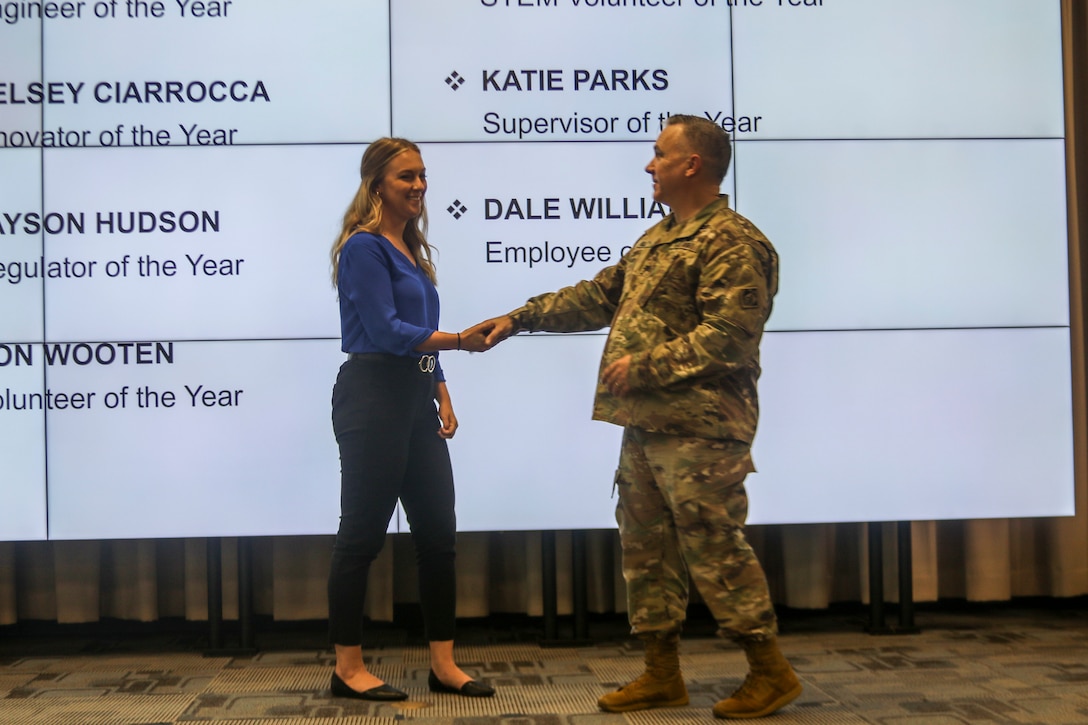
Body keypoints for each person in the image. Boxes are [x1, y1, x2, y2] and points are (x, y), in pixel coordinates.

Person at [480, 115, 800, 719]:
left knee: (715, 546)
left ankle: (770, 671)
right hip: (647, 426)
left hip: (703, 427)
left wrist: (646, 367)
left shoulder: (732, 240)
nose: (648, 165)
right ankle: (662, 674)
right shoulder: (658, 240)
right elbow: (597, 295)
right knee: (645, 549)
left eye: (659, 155)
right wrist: (520, 318)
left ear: (692, 165)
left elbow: (731, 336)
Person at [326, 137, 496, 701]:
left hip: (414, 398)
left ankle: (444, 666)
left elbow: (419, 341)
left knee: (438, 537)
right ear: (377, 184)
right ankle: (347, 669)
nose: (419, 185)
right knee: (361, 537)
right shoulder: (363, 248)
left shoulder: (414, 253)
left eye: (422, 175)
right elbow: (384, 332)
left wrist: (441, 388)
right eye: (406, 177)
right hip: (371, 396)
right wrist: (460, 343)